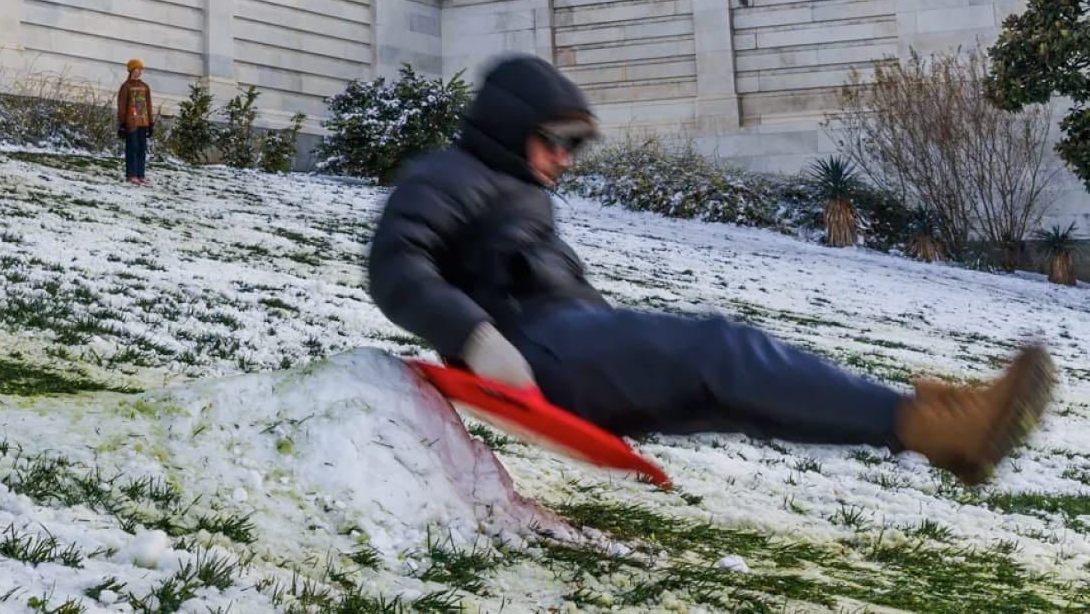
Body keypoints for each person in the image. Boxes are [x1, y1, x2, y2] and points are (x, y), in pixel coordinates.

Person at [368, 54, 1055, 487]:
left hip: (572, 339)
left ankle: (937, 432)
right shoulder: (449, 174)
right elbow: (396, 264)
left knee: (744, 394)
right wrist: (478, 340)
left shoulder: (516, 187)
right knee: (722, 348)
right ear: (508, 123)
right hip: (537, 350)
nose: (568, 159)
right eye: (559, 141)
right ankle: (935, 420)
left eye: (578, 144)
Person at [117, 58, 154, 185]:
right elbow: (122, 105)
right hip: (131, 122)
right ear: (132, 70)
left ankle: (140, 174)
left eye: (141, 70)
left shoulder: (145, 87)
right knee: (132, 148)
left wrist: (151, 123)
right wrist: (122, 124)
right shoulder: (126, 86)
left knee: (141, 149)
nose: (139, 72)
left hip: (143, 122)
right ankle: (131, 174)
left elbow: (148, 105)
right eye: (137, 69)